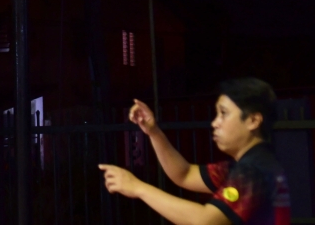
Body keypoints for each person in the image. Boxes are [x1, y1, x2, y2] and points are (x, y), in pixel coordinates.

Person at [100, 78, 290, 225]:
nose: (215, 123)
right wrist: (153, 132)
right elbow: (184, 174)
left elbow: (206, 221)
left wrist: (137, 188)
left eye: (223, 114)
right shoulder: (247, 166)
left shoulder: (254, 171)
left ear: (253, 121)